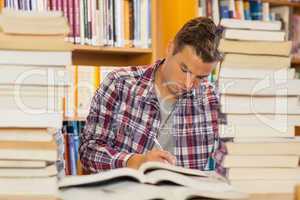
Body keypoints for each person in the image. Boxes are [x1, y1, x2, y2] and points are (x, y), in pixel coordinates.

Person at [79, 17, 226, 175]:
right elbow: (89, 151)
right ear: (170, 48)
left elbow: (230, 159)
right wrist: (135, 161)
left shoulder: (213, 101)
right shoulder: (119, 84)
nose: (189, 84)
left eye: (201, 77)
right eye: (185, 70)